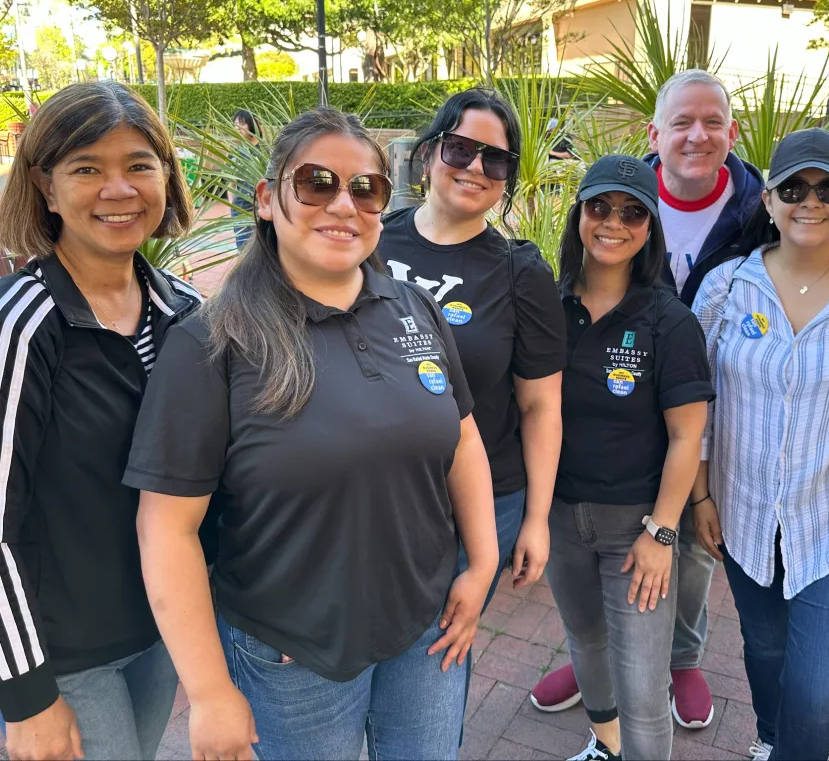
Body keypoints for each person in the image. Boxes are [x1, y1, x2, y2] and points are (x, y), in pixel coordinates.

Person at [123, 107, 499, 761]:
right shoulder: (215, 342)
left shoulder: (413, 308)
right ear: (268, 199)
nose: (343, 204)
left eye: (366, 188)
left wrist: (482, 562)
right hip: (294, 653)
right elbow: (167, 528)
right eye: (316, 183)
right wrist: (210, 692)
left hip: (426, 628)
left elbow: (463, 438)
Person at [532, 69, 763, 730]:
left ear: (731, 133)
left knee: (683, 560)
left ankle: (678, 661)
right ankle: (598, 672)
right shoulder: (559, 294)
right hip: (586, 470)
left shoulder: (755, 214)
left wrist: (664, 523)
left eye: (712, 122)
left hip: (685, 425)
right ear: (654, 136)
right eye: (681, 123)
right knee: (598, 618)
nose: (697, 135)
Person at [0, 83, 198, 760]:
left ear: (167, 179)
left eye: (140, 165)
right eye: (87, 168)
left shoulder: (186, 315)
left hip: (160, 632)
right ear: (46, 188)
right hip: (64, 654)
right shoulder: (25, 326)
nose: (119, 188)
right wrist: (26, 695)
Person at [691, 128, 829, 761]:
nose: (811, 201)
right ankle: (770, 738)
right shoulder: (727, 287)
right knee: (766, 651)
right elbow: (696, 401)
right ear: (770, 200)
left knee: (818, 690)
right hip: (743, 513)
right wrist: (700, 494)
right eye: (793, 188)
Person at [545, 155, 714, 761]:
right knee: (586, 643)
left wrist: (662, 532)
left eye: (633, 212)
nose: (613, 222)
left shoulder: (669, 321)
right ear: (579, 214)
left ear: (650, 228)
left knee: (644, 685)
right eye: (600, 206)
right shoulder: (548, 306)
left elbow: (687, 436)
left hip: (635, 526)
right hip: (561, 518)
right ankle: (607, 745)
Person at [380, 88, 566, 606]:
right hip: (376, 493)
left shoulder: (521, 273)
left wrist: (536, 520)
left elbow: (541, 405)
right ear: (428, 153)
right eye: (461, 149)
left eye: (497, 159)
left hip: (481, 502)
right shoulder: (371, 244)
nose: (476, 167)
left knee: (438, 650)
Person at [229, 109, 263, 249]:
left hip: (260, 211)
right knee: (243, 251)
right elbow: (230, 182)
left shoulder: (265, 152)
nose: (238, 128)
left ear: (252, 124)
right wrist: (233, 206)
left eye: (242, 124)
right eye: (236, 124)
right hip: (240, 211)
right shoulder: (236, 153)